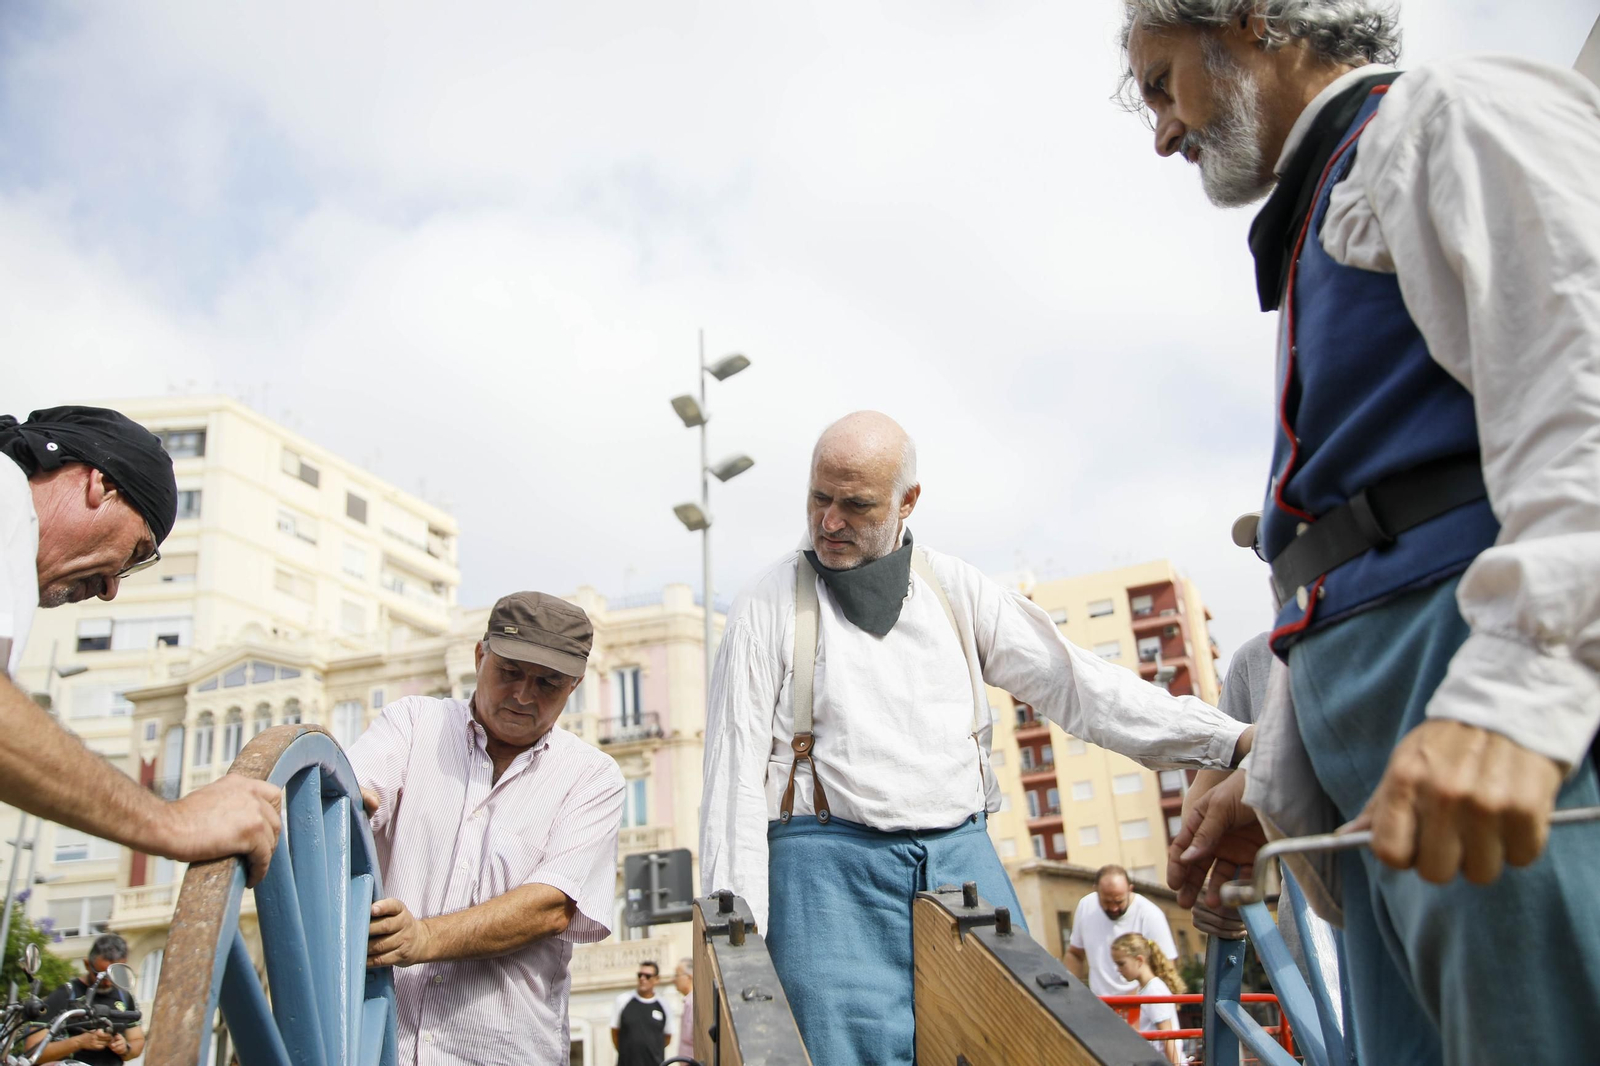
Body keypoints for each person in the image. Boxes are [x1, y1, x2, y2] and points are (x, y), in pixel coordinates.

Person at [1119, 3, 1600, 1062]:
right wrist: (1278, 779)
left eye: (1159, 83)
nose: (1161, 131)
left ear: (1246, 18)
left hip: (1478, 724)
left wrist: (1518, 697)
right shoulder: (1331, 204)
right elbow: (1335, 563)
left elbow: (1584, 387)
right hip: (1392, 773)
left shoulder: (1449, 116)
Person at [700, 411, 1253, 1066]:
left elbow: (1078, 685)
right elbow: (732, 782)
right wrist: (731, 961)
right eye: (820, 498)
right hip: (825, 883)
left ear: (908, 502)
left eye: (856, 505)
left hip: (962, 863)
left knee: (1009, 1046)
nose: (829, 522)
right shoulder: (766, 606)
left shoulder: (952, 588)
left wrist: (1231, 742)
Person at [0, 407, 281, 884]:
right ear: (100, 485)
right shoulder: (8, 495)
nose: (112, 588)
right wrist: (174, 823)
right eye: (134, 554)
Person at [351, 591, 624, 1066]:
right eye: (510, 672)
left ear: (574, 686)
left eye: (548, 683)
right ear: (480, 656)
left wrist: (425, 939)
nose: (523, 696)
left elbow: (550, 907)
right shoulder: (412, 725)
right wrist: (345, 804)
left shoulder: (592, 778)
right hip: (377, 1046)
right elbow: (349, 797)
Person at [25, 933, 144, 1064]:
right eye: (100, 975)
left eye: (114, 974)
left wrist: (125, 1048)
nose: (107, 982)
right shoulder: (66, 993)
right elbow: (32, 1051)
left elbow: (137, 1040)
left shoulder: (125, 997)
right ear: (87, 964)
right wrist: (79, 1042)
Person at [1067, 865, 1179, 996]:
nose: (1114, 908)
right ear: (1096, 890)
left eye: (1119, 902)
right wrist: (1070, 991)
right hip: (1101, 1004)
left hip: (1141, 1004)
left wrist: (1140, 999)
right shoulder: (1086, 906)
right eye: (1107, 902)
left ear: (1130, 890)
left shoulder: (1150, 915)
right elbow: (1075, 954)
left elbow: (1167, 967)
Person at [1111, 932, 1183, 1065]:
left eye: (1121, 964)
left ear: (1139, 960)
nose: (1118, 969)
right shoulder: (1141, 990)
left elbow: (1167, 1035)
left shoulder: (1154, 990)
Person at [610, 960, 676, 1066]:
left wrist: (652, 1051)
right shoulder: (623, 1000)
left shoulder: (663, 1004)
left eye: (647, 976)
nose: (642, 979)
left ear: (656, 979)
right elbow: (614, 1033)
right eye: (640, 975)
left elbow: (668, 1037)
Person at [671, 958, 694, 1062]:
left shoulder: (694, 1002)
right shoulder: (688, 1001)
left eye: (677, 975)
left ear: (689, 976)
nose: (673, 980)